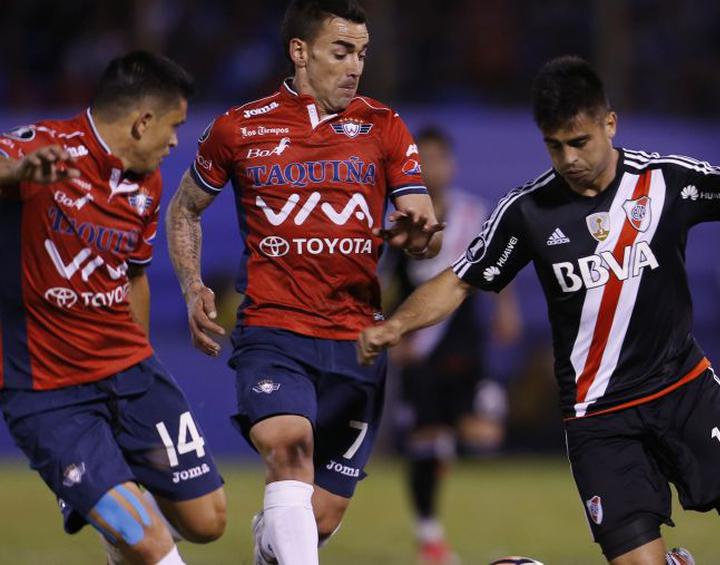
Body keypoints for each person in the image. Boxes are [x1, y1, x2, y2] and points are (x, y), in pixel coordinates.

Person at [359, 55, 720, 565]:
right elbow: (459, 280)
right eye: (554, 146)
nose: (568, 158)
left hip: (684, 391)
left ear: (609, 124)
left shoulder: (665, 182)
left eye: (579, 142)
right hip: (598, 416)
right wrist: (394, 325)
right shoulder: (527, 211)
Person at [165, 1, 442, 563]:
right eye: (341, 52)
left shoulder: (384, 126)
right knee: (289, 449)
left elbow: (423, 220)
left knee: (316, 517)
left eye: (362, 54)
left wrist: (420, 234)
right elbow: (184, 209)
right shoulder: (238, 128)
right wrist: (193, 283)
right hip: (275, 330)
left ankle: (271, 542)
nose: (354, 66)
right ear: (300, 51)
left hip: (358, 342)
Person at [0, 51, 226, 565]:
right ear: (143, 121)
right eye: (174, 127)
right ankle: (112, 513)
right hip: (48, 393)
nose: (175, 142)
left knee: (207, 521)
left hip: (130, 375)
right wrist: (17, 170)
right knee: (150, 542)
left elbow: (134, 276)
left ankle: (111, 514)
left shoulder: (147, 183)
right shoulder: (44, 148)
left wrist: (140, 360)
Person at [383, 126, 522, 564]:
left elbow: (493, 266)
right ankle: (430, 536)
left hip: (462, 338)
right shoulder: (400, 217)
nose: (430, 169)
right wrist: (389, 329)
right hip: (417, 345)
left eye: (437, 159)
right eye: (421, 161)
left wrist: (505, 309)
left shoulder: (471, 214)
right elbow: (382, 281)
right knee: (426, 438)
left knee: (483, 435)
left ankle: (458, 435)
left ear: (451, 164)